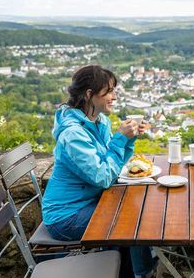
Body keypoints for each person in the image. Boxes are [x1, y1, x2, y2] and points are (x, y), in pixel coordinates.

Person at [42, 65, 154, 278]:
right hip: (66, 216)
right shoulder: (73, 134)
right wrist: (121, 139)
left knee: (132, 213)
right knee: (131, 220)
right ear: (89, 94)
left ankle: (134, 271)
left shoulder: (99, 121)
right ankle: (144, 273)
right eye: (109, 91)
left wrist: (128, 140)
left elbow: (111, 167)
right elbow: (103, 177)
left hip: (90, 202)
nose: (114, 96)